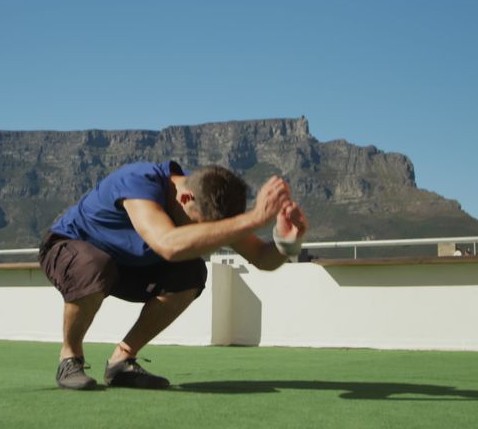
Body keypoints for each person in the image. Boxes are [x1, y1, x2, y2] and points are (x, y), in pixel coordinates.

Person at [39, 160, 309, 390]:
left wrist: (286, 242)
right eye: (205, 226)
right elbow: (168, 244)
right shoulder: (138, 181)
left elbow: (262, 258)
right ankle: (69, 358)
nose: (209, 233)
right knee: (95, 265)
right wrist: (255, 219)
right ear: (185, 198)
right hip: (67, 249)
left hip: (126, 265)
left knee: (191, 271)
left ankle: (122, 361)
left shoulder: (206, 198)